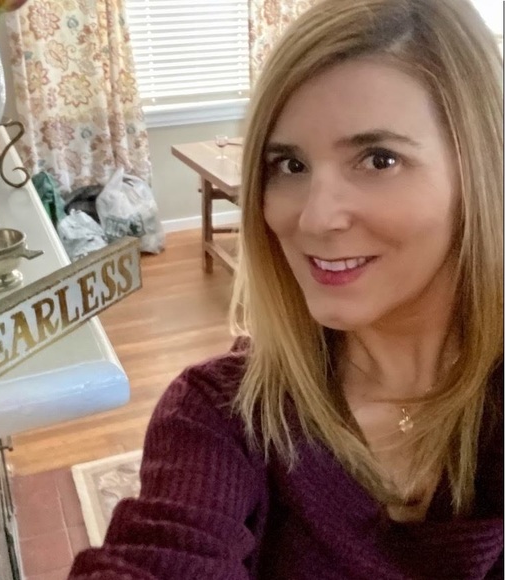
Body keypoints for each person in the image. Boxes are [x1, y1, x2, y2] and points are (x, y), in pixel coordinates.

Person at [69, 0, 503, 577]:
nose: (315, 218)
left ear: (480, 171)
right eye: (291, 166)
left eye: (379, 159)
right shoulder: (222, 414)